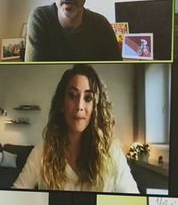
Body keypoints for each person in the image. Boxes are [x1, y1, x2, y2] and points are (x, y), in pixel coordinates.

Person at [12, 65, 139, 193]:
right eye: (72, 96)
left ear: (96, 107)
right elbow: (16, 192)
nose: (79, 106)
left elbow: (134, 199)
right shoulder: (44, 150)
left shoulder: (113, 154)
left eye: (88, 98)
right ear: (62, 104)